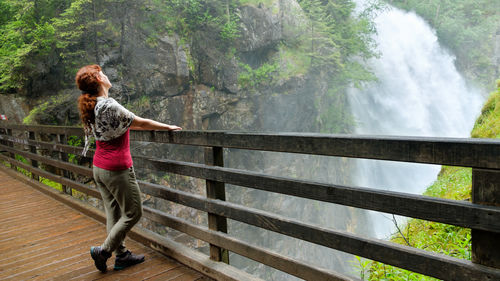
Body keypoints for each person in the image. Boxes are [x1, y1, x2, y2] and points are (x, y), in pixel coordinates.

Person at [76, 64, 182, 272]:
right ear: (98, 80)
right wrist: (167, 127)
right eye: (102, 73)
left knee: (113, 215)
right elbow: (140, 123)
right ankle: (104, 251)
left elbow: (126, 123)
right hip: (117, 169)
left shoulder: (94, 106)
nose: (106, 75)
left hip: (99, 167)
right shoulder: (109, 105)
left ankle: (122, 255)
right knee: (134, 212)